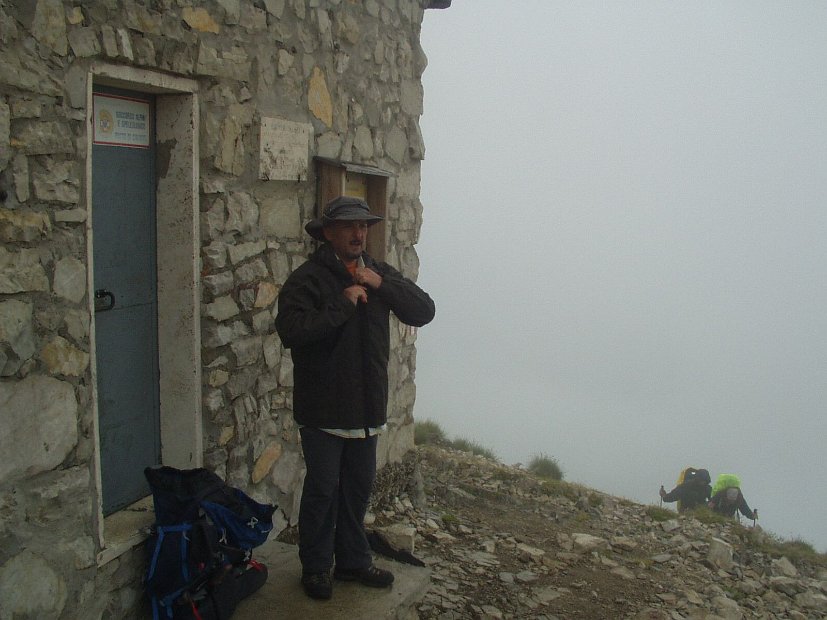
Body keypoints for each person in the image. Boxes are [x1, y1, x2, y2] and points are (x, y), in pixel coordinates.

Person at [275, 196, 436, 600]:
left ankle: (352, 561)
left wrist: (381, 284)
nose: (358, 233)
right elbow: (292, 332)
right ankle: (315, 567)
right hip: (323, 411)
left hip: (366, 410)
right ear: (328, 232)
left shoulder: (377, 273)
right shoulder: (307, 279)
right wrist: (341, 305)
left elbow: (424, 310)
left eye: (364, 226)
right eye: (349, 226)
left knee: (357, 491)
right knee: (323, 492)